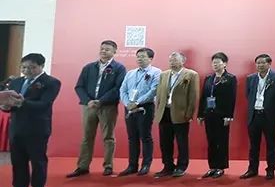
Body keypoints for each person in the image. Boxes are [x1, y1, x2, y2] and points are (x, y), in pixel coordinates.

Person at [0, 54, 61, 187]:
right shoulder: (16, 82)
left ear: (41, 66)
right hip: (17, 128)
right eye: (24, 67)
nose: (27, 70)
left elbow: (44, 104)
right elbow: (10, 105)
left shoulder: (51, 82)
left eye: (32, 67)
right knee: (18, 163)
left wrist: (22, 102)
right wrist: (5, 106)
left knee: (38, 162)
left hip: (37, 129)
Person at [69, 40, 126, 177]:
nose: (103, 51)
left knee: (108, 137)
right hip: (88, 106)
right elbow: (79, 86)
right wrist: (88, 101)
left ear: (114, 52)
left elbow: (118, 88)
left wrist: (101, 101)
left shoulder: (119, 68)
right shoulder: (89, 67)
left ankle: (108, 166)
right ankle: (82, 166)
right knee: (87, 137)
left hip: (107, 107)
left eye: (107, 49)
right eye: (102, 48)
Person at [115, 48, 160, 176]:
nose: (140, 59)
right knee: (132, 137)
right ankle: (132, 165)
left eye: (143, 56)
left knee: (145, 136)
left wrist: (137, 103)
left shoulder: (156, 72)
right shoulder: (130, 73)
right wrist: (127, 103)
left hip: (145, 107)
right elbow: (123, 90)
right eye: (138, 56)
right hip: (129, 108)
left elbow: (153, 90)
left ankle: (146, 165)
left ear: (150, 59)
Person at [153, 52, 199, 178]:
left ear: (183, 61)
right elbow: (159, 94)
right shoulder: (164, 74)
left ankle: (181, 166)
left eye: (175, 60)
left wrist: (189, 113)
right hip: (164, 112)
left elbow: (193, 96)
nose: (172, 62)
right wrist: (158, 110)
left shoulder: (191, 75)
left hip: (181, 113)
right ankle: (167, 166)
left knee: (181, 142)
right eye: (171, 60)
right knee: (165, 142)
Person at [242, 54, 275, 180]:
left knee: (271, 144)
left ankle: (270, 170)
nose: (260, 65)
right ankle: (252, 169)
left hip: (269, 116)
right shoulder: (251, 78)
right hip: (254, 115)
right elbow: (248, 95)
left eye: (262, 63)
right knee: (253, 145)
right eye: (258, 63)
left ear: (269, 64)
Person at [197, 52, 237, 179]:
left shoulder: (230, 78)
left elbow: (231, 98)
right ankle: (212, 167)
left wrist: (229, 116)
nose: (215, 65)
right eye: (213, 62)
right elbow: (203, 97)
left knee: (222, 141)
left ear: (224, 64)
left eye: (218, 62)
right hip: (209, 113)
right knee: (211, 141)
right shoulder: (209, 78)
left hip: (222, 115)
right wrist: (200, 114)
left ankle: (221, 167)